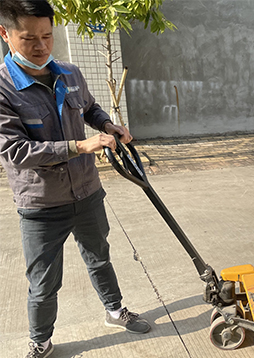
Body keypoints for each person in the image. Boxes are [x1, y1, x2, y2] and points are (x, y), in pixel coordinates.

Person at [0, 1, 151, 357]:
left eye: (48, 36)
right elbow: (15, 152)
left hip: (86, 192)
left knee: (99, 256)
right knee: (43, 281)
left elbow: (89, 108)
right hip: (40, 205)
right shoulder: (3, 89)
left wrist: (107, 124)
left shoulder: (69, 73)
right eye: (29, 39)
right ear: (5, 34)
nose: (41, 47)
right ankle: (41, 342)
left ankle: (115, 311)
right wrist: (80, 145)